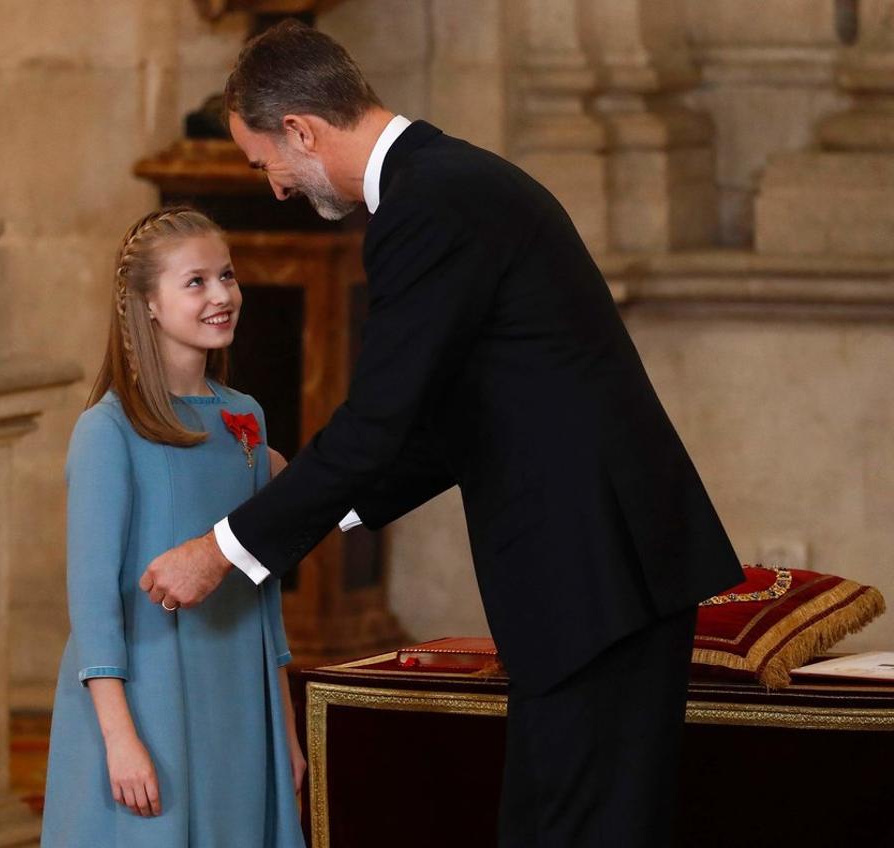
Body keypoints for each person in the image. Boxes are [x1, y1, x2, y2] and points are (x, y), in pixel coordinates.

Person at [139, 21, 744, 847]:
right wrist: (308, 493)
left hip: (595, 576)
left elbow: (381, 419)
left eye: (263, 161)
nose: (274, 186)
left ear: (303, 131)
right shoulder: (447, 183)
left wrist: (223, 550)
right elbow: (446, 421)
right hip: (602, 574)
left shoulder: (427, 206)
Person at [42, 207, 306, 848]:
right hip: (146, 700)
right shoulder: (107, 431)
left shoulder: (246, 418)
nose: (222, 296)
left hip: (240, 696)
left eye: (228, 276)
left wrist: (287, 732)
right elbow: (94, 604)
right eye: (196, 282)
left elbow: (261, 586)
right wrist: (121, 740)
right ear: (148, 305)